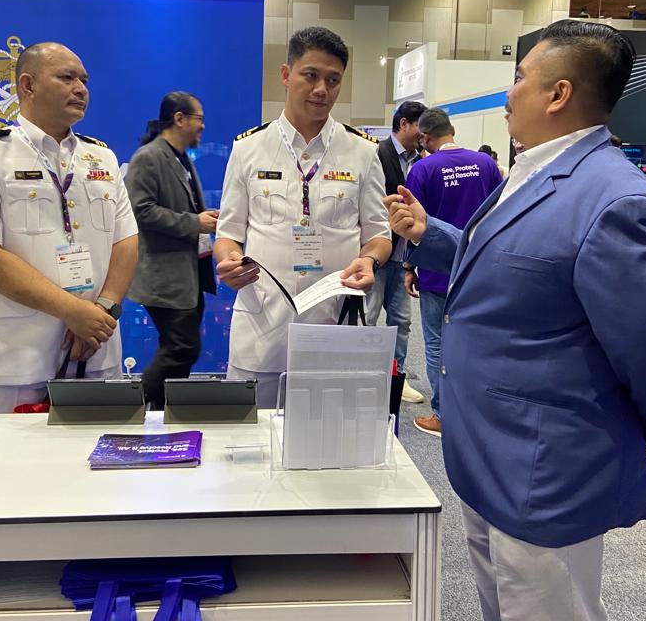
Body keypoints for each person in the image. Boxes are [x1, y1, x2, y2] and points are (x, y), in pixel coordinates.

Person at [385, 20, 646, 621]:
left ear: (559, 93)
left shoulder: (613, 197)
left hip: (549, 470)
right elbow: (513, 267)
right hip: (492, 455)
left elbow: (645, 348)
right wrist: (430, 235)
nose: (508, 94)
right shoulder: (534, 169)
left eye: (520, 77)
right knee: (513, 619)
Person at [0, 42, 139, 414]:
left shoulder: (102, 157)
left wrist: (103, 311)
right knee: (5, 453)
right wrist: (73, 311)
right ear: (28, 85)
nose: (80, 89)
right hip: (12, 356)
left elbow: (126, 240)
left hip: (94, 350)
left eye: (84, 81)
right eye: (67, 78)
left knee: (94, 450)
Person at [214, 26, 392, 407]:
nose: (321, 89)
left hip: (334, 324)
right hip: (262, 327)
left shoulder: (362, 152)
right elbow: (227, 233)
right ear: (286, 74)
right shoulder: (249, 149)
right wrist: (228, 260)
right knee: (251, 432)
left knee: (329, 431)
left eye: (333, 80)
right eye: (311, 75)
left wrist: (370, 260)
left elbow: (379, 234)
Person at [406, 110, 502, 437]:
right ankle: (475, 413)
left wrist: (409, 266)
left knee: (436, 344)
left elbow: (412, 223)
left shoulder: (422, 169)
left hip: (435, 272)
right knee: (476, 342)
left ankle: (442, 415)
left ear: (425, 138)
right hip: (478, 269)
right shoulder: (486, 164)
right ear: (453, 130)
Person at [124, 92, 218, 409]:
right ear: (179, 119)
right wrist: (194, 222)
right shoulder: (148, 157)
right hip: (165, 277)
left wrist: (204, 217)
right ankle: (132, 406)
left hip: (188, 275)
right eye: (199, 119)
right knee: (182, 348)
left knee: (180, 348)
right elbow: (140, 211)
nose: (203, 127)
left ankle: (159, 412)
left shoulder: (180, 158)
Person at [365, 100, 426, 403]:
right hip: (378, 255)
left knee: (401, 322)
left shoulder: (423, 160)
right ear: (403, 124)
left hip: (406, 257)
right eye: (419, 127)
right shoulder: (377, 153)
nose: (423, 134)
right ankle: (362, 376)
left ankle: (396, 379)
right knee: (367, 318)